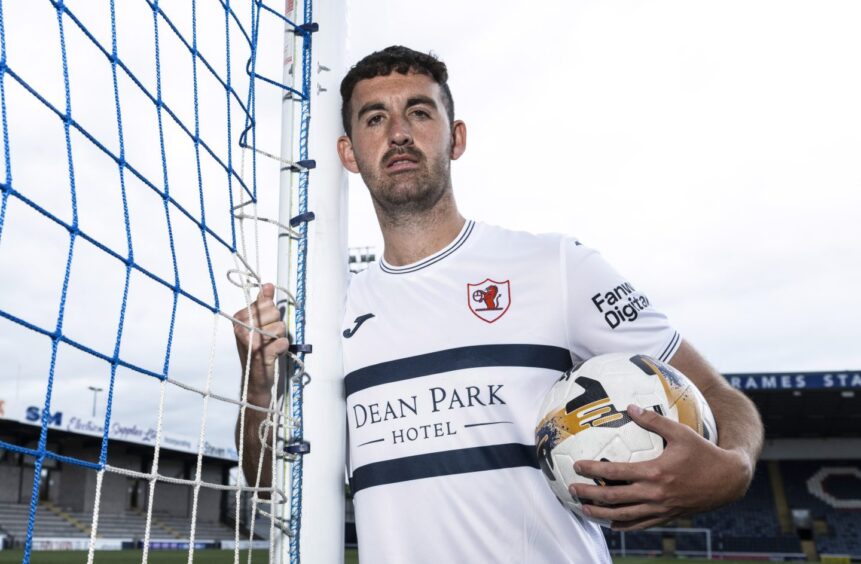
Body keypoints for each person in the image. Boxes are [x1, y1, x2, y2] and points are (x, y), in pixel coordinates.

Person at [234, 45, 763, 563]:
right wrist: (255, 379)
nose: (398, 133)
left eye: (419, 112)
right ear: (348, 152)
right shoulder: (328, 318)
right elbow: (271, 488)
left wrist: (733, 467)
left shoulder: (556, 266)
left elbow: (715, 393)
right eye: (375, 119)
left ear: (455, 137)